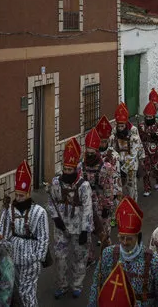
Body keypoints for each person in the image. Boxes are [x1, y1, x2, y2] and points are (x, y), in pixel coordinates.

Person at [88, 197, 158, 307]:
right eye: (121, 237)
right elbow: (96, 286)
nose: (124, 242)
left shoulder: (154, 261)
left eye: (129, 238)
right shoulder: (108, 254)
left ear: (137, 237)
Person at [0, 160, 49, 307]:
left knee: (27, 294)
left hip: (30, 261)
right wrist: (5, 254)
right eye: (17, 195)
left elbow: (44, 239)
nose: (18, 199)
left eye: (22, 195)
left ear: (28, 193)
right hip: (13, 260)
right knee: (14, 295)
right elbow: (3, 234)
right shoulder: (8, 211)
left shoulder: (39, 212)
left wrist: (37, 258)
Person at [48, 137, 93, 299]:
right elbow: (51, 201)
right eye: (65, 169)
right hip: (61, 226)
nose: (67, 173)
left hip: (79, 226)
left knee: (79, 257)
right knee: (60, 257)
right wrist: (55, 218)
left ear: (76, 169)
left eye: (70, 170)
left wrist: (84, 230)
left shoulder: (84, 186)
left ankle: (77, 284)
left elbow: (88, 209)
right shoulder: (56, 183)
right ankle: (62, 285)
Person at [80, 127, 115, 263]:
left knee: (104, 233)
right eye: (87, 151)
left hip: (100, 203)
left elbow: (108, 188)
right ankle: (89, 257)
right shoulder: (80, 166)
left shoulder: (106, 168)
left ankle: (107, 257)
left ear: (97, 151)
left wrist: (107, 207)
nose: (89, 154)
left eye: (92, 151)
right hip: (86, 204)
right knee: (87, 232)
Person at [109, 102, 145, 201]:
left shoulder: (133, 131)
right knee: (119, 188)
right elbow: (111, 147)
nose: (120, 128)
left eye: (122, 126)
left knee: (131, 187)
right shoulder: (114, 131)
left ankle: (133, 206)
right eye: (118, 126)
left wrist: (141, 157)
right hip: (118, 164)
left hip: (130, 165)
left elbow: (135, 151)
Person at [95, 115, 123, 227]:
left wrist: (117, 191)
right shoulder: (93, 155)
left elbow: (117, 175)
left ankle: (112, 219)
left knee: (111, 207)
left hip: (110, 187)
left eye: (104, 141)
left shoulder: (114, 155)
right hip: (97, 187)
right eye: (100, 141)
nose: (102, 144)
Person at [138, 101, 158, 197]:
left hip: (157, 150)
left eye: (150, 117)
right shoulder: (141, 126)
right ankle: (147, 188)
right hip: (145, 149)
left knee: (157, 167)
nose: (148, 119)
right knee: (146, 169)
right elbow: (139, 138)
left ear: (154, 117)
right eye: (146, 117)